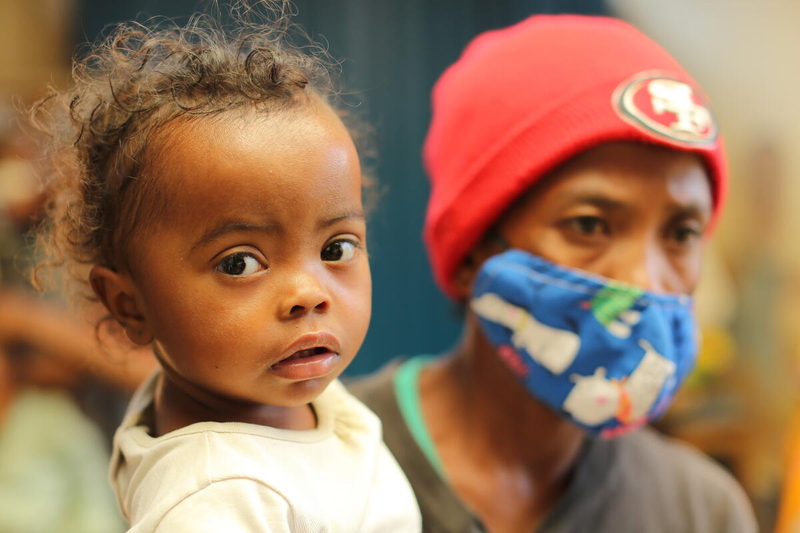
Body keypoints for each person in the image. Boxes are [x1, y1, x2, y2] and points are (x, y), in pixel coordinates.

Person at [349, 14, 758, 533]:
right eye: (589, 224)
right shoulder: (304, 467)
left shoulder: (701, 512)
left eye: (680, 235)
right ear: (474, 251)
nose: (646, 281)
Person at [31, 5, 420, 532]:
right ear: (129, 304)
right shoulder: (217, 499)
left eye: (336, 249)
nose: (310, 293)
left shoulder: (271, 386)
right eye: (240, 263)